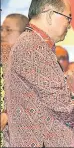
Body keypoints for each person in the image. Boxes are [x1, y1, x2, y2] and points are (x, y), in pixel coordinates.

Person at [4, 0, 74, 147]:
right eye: (68, 18)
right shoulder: (33, 46)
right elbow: (56, 99)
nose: (69, 25)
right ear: (50, 14)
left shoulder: (34, 44)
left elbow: (54, 96)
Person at [0, 13, 28, 147]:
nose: (2, 34)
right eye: (1, 29)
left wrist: (7, 113)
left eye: (8, 30)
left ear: (23, 34)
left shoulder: (29, 61)